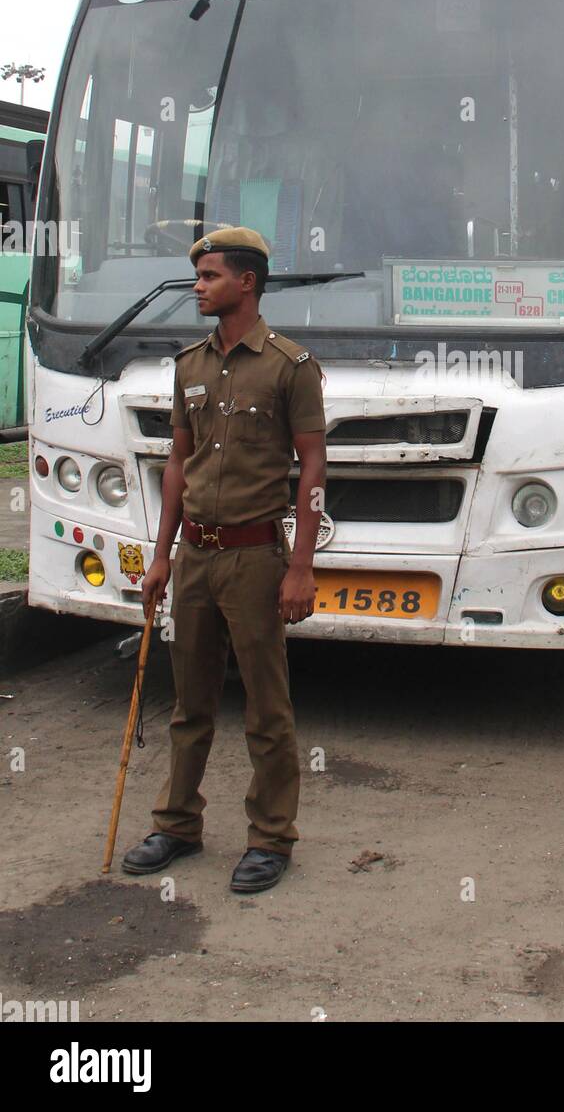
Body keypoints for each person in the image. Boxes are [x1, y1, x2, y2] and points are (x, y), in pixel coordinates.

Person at [122, 227, 327, 893]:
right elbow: (178, 463)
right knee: (190, 701)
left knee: (267, 708)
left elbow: (313, 467)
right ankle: (177, 823)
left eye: (210, 276)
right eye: (199, 275)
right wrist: (160, 557)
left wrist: (300, 566)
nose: (199, 287)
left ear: (247, 282)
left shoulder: (291, 368)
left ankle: (271, 837)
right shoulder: (189, 365)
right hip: (195, 559)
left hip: (254, 558)